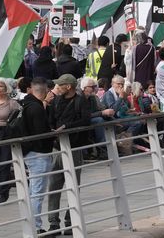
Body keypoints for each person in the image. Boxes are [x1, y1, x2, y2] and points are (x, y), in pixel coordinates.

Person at [46, 73, 92, 233]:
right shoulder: (56, 100)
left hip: (74, 147)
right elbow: (51, 118)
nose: (57, 88)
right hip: (57, 147)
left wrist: (66, 127)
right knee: (53, 185)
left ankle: (70, 220)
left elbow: (86, 120)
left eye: (60, 85)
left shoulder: (81, 101)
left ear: (69, 87)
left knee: (73, 185)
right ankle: (53, 222)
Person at [21, 78, 54, 234]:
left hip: (29, 152)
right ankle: (37, 227)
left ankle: (32, 226)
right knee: (37, 192)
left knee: (33, 191)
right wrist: (52, 134)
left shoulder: (26, 104)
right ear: (45, 90)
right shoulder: (36, 108)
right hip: (39, 153)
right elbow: (41, 132)